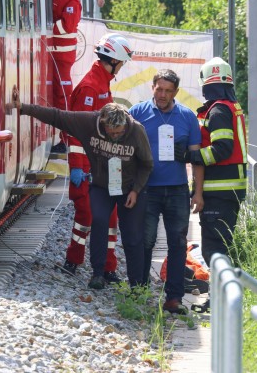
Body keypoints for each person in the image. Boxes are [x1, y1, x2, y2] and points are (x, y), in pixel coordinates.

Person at [8, 97, 153, 290]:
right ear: (102, 123)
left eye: (120, 132)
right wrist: (23, 107)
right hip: (102, 186)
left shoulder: (136, 131)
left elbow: (147, 164)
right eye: (112, 133)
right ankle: (98, 274)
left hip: (130, 188)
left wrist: (136, 190)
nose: (116, 136)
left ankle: (136, 286)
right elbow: (57, 116)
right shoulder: (88, 123)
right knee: (99, 221)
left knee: (132, 235)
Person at [175, 57, 247, 313]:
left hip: (220, 191)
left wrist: (192, 156)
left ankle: (221, 302)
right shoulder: (229, 106)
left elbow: (222, 148)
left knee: (215, 250)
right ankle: (221, 299)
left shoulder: (218, 111)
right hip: (226, 191)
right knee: (219, 246)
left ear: (205, 83)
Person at [129, 69, 204, 315]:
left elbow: (196, 158)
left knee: (177, 243)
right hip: (146, 189)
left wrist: (198, 192)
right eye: (159, 89)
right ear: (152, 87)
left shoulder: (187, 117)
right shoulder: (137, 113)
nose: (162, 95)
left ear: (176, 92)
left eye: (168, 91)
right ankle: (139, 292)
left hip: (177, 190)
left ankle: (174, 298)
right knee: (145, 242)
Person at [62, 33, 133, 284]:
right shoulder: (91, 87)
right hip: (90, 168)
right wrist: (77, 168)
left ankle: (108, 268)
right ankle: (73, 260)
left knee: (110, 219)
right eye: (122, 62)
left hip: (106, 164)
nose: (122, 67)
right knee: (86, 216)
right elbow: (78, 132)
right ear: (113, 60)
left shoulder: (102, 82)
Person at [49, 0, 82, 153]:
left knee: (63, 98)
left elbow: (66, 26)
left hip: (62, 56)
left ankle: (66, 140)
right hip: (54, 53)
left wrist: (47, 27)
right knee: (56, 96)